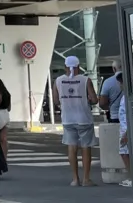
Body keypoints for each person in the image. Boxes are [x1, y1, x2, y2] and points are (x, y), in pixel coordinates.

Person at [54, 55, 98, 187]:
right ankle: (86, 179)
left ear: (65, 67)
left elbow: (56, 101)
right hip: (84, 118)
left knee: (71, 148)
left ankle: (75, 179)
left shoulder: (58, 81)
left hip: (68, 119)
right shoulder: (86, 80)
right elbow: (95, 100)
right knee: (86, 148)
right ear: (78, 66)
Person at [117, 94, 131, 187]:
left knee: (125, 153)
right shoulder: (124, 96)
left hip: (126, 129)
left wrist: (126, 132)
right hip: (124, 127)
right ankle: (131, 177)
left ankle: (132, 177)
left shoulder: (127, 97)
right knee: (124, 152)